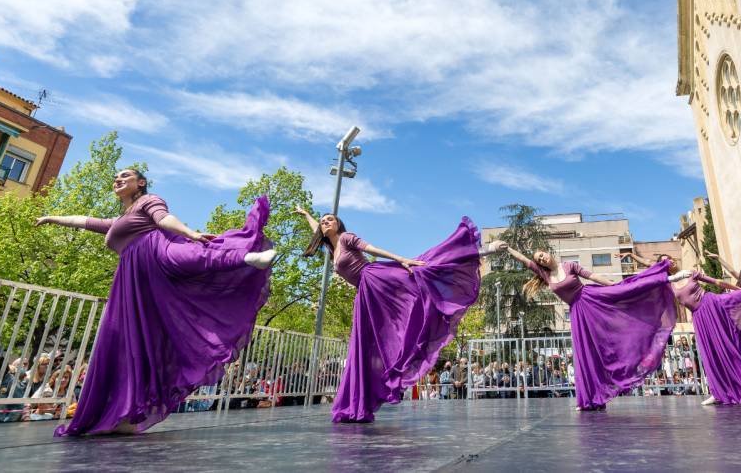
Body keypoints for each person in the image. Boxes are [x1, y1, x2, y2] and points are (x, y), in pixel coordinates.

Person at [36, 168, 274, 436]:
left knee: (191, 255)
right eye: (115, 176)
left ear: (141, 182)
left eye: (125, 175)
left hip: (154, 250)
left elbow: (164, 219)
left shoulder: (148, 201)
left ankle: (245, 258)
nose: (117, 179)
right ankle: (124, 415)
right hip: (133, 280)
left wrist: (190, 232)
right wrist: (51, 217)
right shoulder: (119, 219)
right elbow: (84, 221)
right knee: (126, 343)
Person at [294, 209, 483, 422]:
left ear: (338, 224)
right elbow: (316, 227)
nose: (326, 222)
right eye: (323, 221)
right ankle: (359, 403)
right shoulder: (332, 249)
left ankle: (466, 255)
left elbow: (372, 248)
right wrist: (306, 214)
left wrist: (401, 259)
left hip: (374, 279)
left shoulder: (346, 239)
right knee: (365, 347)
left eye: (331, 219)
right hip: (364, 295)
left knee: (419, 274)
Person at [494, 241, 684, 411]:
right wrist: (508, 248)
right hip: (577, 312)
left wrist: (614, 286)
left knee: (610, 331)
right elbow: (524, 260)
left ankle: (664, 278)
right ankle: (591, 399)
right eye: (538, 259)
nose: (541, 258)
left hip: (590, 300)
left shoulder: (569, 266)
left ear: (547, 252)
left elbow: (592, 276)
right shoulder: (544, 274)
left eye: (541, 254)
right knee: (585, 355)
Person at [631, 252, 741, 406]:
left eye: (669, 258)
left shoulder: (691, 273)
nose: (669, 261)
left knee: (727, 345)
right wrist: (633, 257)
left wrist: (740, 290)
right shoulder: (667, 284)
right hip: (698, 316)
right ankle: (717, 392)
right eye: (664, 261)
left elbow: (717, 282)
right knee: (709, 354)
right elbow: (648, 273)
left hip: (712, 305)